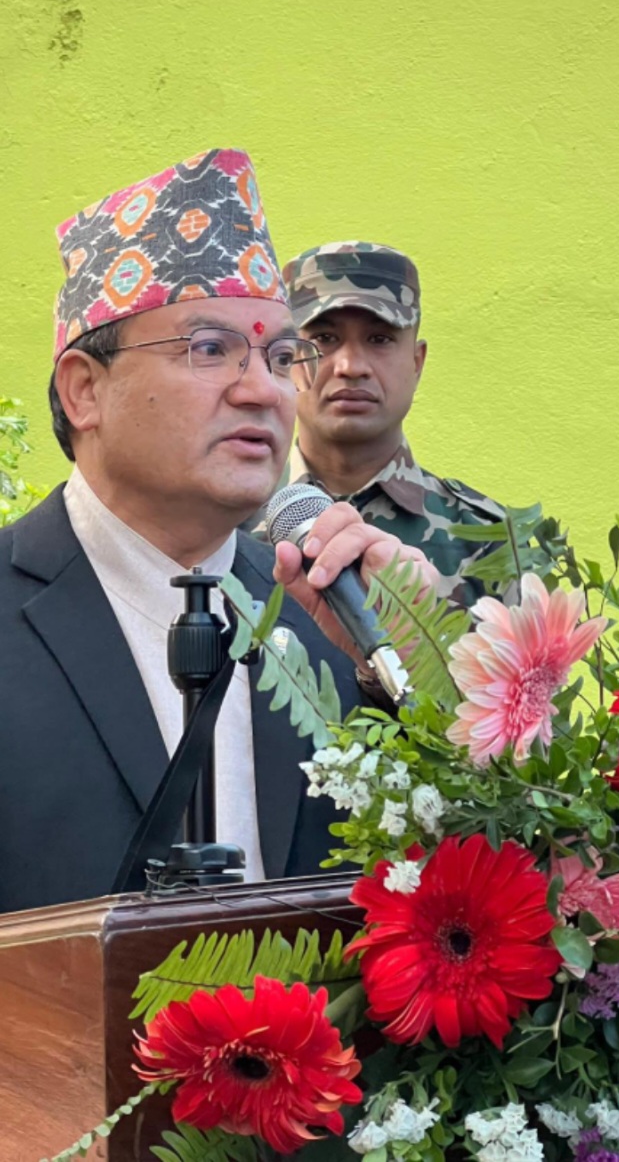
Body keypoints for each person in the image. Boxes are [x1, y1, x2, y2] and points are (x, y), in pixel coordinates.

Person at [0, 149, 435, 915]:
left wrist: (418, 666)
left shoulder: (326, 617)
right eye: (208, 349)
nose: (263, 390)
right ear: (84, 390)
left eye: (277, 356)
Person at [282, 242, 505, 608]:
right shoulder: (229, 525)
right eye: (325, 338)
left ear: (417, 362)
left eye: (380, 339)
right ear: (286, 357)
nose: (351, 366)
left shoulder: (489, 541)